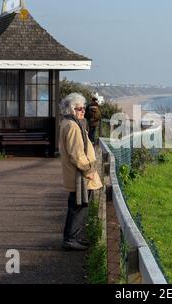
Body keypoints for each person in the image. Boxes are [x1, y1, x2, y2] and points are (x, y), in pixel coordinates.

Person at [59, 93, 103, 251]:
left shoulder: (71, 123)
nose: (83, 111)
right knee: (78, 206)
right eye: (79, 109)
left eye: (83, 108)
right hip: (80, 175)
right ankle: (71, 239)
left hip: (78, 174)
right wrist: (89, 170)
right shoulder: (71, 125)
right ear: (71, 110)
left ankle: (74, 237)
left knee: (79, 205)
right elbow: (76, 153)